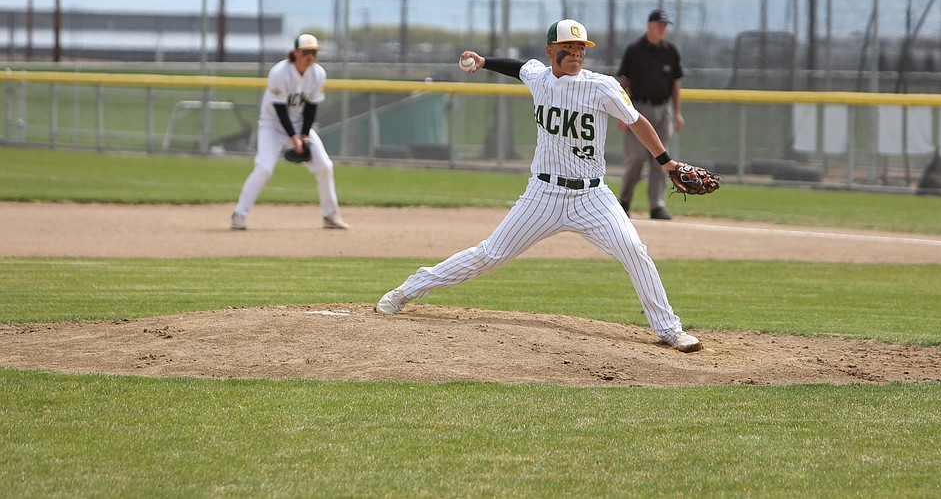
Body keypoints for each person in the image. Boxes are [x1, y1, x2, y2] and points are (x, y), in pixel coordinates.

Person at [375, 18, 702, 352]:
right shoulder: (538, 77)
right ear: (551, 52)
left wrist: (667, 163)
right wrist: (484, 61)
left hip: (592, 196)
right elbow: (518, 68)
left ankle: (670, 330)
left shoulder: (601, 86)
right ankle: (406, 291)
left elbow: (636, 122)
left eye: (580, 49)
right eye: (567, 48)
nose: (576, 54)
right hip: (543, 195)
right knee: (489, 254)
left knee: (634, 250)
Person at [230, 33, 349, 231]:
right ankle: (239, 215)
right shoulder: (279, 72)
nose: (310, 56)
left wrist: (303, 135)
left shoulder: (318, 73)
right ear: (295, 53)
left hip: (300, 124)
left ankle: (330, 216)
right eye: (306, 52)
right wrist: (294, 138)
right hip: (272, 125)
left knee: (325, 166)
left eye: (314, 52)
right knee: (264, 168)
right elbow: (280, 109)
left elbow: (311, 106)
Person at [616, 9, 685, 220]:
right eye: (660, 24)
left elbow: (675, 84)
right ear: (650, 25)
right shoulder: (634, 50)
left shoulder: (671, 51)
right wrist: (621, 112)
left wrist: (677, 113)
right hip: (636, 108)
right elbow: (623, 82)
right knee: (636, 158)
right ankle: (624, 202)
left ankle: (657, 205)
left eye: (665, 25)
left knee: (660, 160)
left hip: (663, 110)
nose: (663, 28)